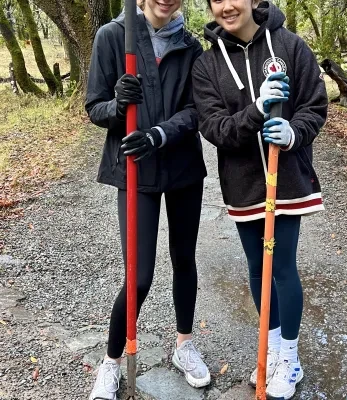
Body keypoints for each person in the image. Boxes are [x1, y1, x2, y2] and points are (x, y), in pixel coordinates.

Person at [192, 0, 328, 398]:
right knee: (257, 266)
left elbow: (314, 106)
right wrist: (255, 111)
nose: (226, 6)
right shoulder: (207, 64)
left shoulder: (290, 46)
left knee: (281, 265)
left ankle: (289, 357)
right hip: (243, 182)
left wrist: (293, 132)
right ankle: (266, 349)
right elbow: (214, 127)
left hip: (286, 178)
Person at [85, 0, 210, 398]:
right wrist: (118, 106)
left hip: (182, 169)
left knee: (184, 259)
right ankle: (112, 362)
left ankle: (184, 345)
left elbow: (196, 112)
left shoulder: (191, 47)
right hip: (135, 171)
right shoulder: (112, 37)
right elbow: (94, 107)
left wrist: (159, 134)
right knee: (138, 275)